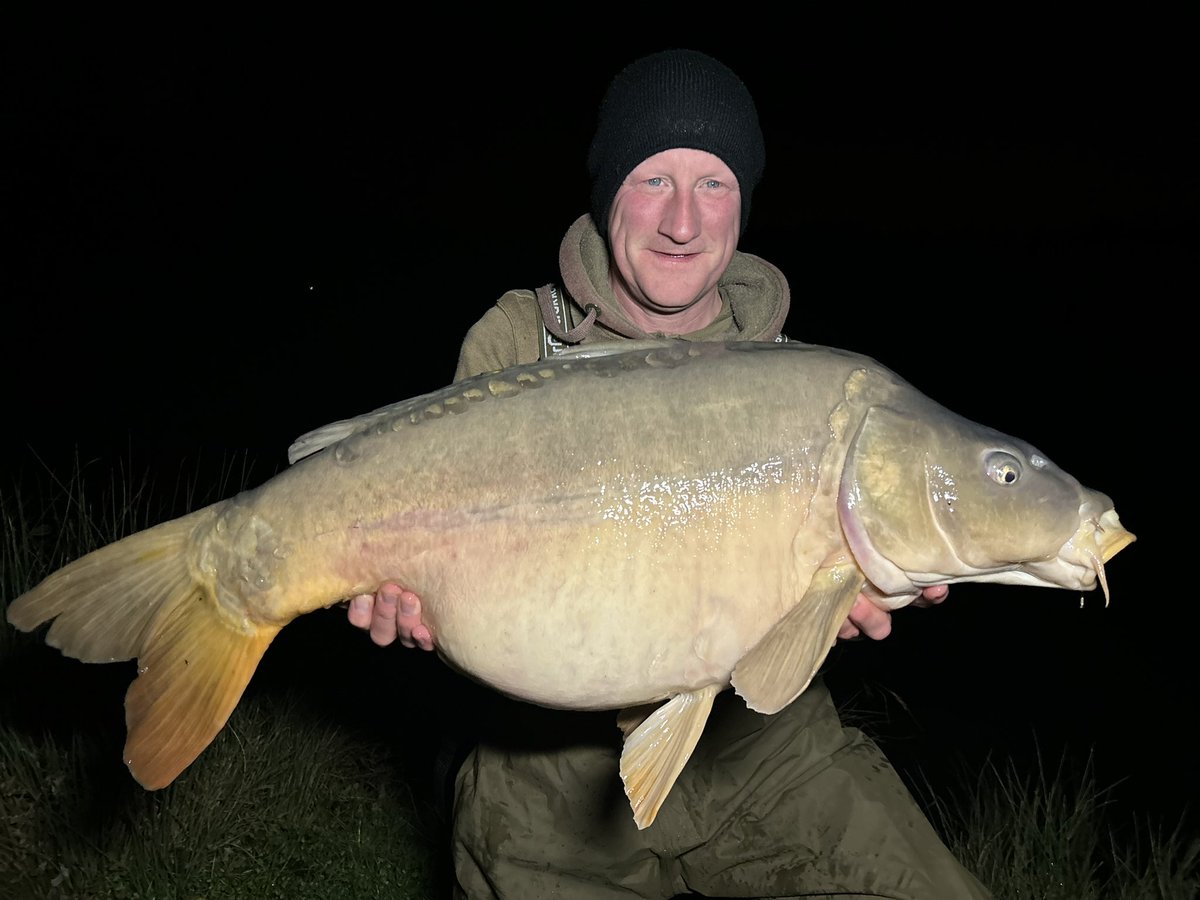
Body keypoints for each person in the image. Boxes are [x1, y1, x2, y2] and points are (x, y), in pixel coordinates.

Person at [349, 48, 992, 899]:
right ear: (608, 188)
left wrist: (839, 599)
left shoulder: (805, 386)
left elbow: (804, 620)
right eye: (654, 179)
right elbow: (455, 577)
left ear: (744, 204)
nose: (682, 223)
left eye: (714, 185)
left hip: (769, 754)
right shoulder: (513, 347)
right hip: (544, 775)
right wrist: (422, 603)